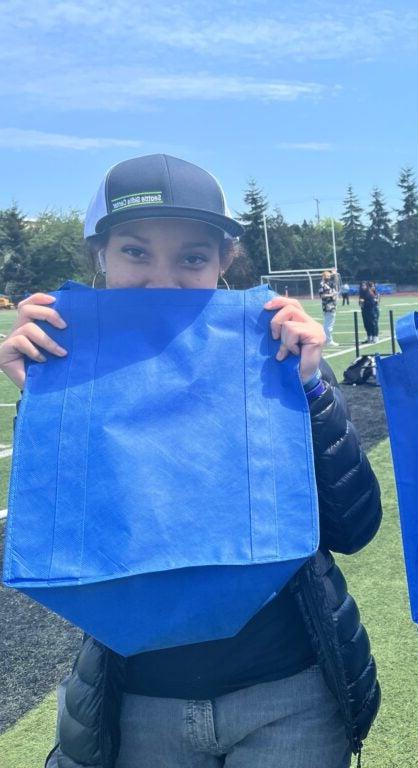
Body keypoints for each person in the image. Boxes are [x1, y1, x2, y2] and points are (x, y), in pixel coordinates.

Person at [0, 154, 383, 768]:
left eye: (192, 258)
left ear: (225, 260)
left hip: (289, 692)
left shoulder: (276, 351)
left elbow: (355, 528)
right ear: (99, 255)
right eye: (135, 252)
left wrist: (310, 388)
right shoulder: (70, 365)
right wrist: (45, 397)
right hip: (139, 705)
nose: (163, 281)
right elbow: (58, 537)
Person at [319, 270, 339, 346]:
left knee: (329, 323)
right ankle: (328, 341)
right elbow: (322, 296)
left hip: (332, 305)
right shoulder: (322, 285)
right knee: (328, 324)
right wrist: (331, 295)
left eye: (329, 276)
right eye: (327, 276)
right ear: (323, 277)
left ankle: (327, 340)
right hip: (328, 306)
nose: (329, 277)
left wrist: (335, 274)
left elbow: (336, 282)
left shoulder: (329, 284)